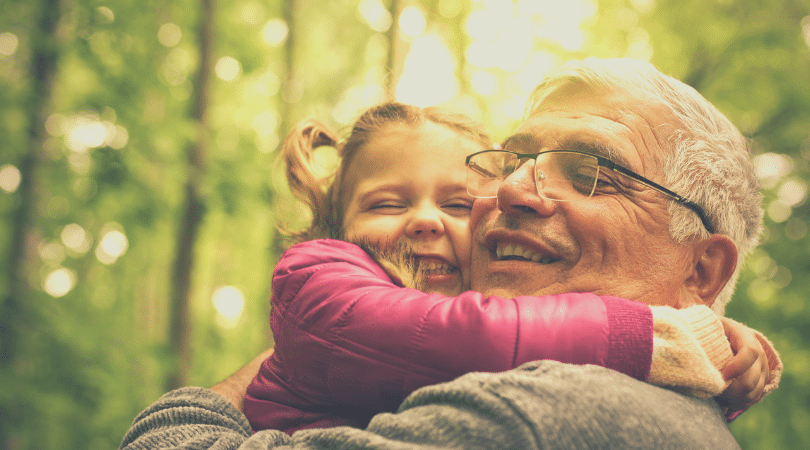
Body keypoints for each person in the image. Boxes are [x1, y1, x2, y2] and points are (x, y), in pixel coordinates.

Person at [120, 58, 783, 450]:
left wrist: (197, 406)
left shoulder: (543, 413)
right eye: (514, 160)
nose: (517, 188)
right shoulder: (666, 404)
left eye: (588, 170)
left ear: (700, 271)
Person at [242, 102, 777, 434]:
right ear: (335, 226)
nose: (426, 221)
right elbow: (464, 338)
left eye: (456, 205)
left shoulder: (499, 340)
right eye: (385, 204)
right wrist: (661, 340)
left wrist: (716, 367)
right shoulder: (315, 274)